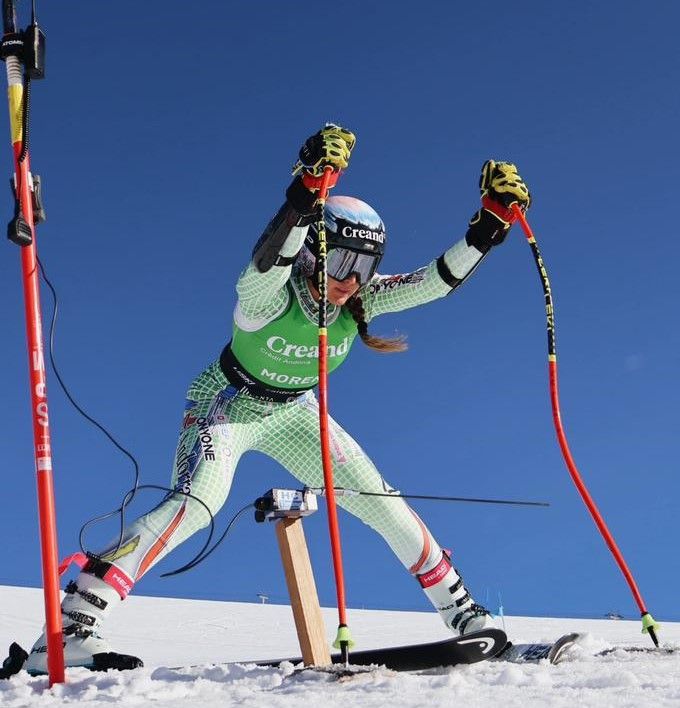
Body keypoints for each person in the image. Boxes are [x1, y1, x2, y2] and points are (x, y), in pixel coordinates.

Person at [24, 124, 532, 672]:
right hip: (228, 403)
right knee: (197, 506)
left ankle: (466, 617)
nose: (351, 280)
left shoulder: (358, 302)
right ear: (315, 253)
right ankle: (72, 627)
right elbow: (267, 262)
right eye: (341, 262)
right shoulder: (269, 294)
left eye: (364, 268)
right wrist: (305, 194)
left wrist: (490, 225)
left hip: (294, 412)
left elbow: (434, 281)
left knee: (380, 500)